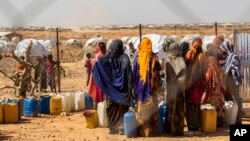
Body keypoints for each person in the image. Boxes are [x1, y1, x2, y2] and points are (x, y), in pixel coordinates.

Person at [93, 39, 132, 134]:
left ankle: (112, 128)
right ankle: (121, 128)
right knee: (121, 107)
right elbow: (129, 74)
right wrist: (131, 88)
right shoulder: (125, 58)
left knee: (111, 107)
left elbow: (97, 65)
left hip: (111, 91)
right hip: (123, 90)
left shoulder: (107, 58)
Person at [133, 37, 162, 137]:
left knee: (141, 110)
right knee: (152, 108)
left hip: (141, 89)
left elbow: (134, 74)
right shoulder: (154, 57)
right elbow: (158, 71)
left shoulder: (137, 58)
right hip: (152, 89)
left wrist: (135, 86)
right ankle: (152, 131)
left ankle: (142, 131)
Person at [185, 38, 206, 132]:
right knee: (196, 103)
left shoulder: (188, 54)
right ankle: (196, 126)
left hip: (190, 81)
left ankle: (192, 126)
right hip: (197, 82)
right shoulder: (202, 56)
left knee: (190, 102)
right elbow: (204, 70)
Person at [165, 43, 186, 136]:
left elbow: (165, 76)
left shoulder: (167, 60)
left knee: (171, 109)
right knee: (179, 109)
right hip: (179, 90)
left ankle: (171, 130)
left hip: (171, 89)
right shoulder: (181, 60)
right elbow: (184, 75)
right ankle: (179, 130)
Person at [221, 39, 242, 124]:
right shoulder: (229, 57)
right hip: (229, 83)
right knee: (231, 101)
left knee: (235, 101)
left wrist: (236, 81)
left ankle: (238, 120)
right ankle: (232, 120)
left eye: (223, 48)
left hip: (233, 83)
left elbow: (235, 70)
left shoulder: (233, 57)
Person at [203, 57, 225, 125]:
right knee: (218, 106)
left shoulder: (209, 69)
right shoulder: (219, 68)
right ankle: (220, 121)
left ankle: (216, 122)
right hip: (219, 91)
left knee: (213, 106)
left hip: (212, 92)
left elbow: (208, 80)